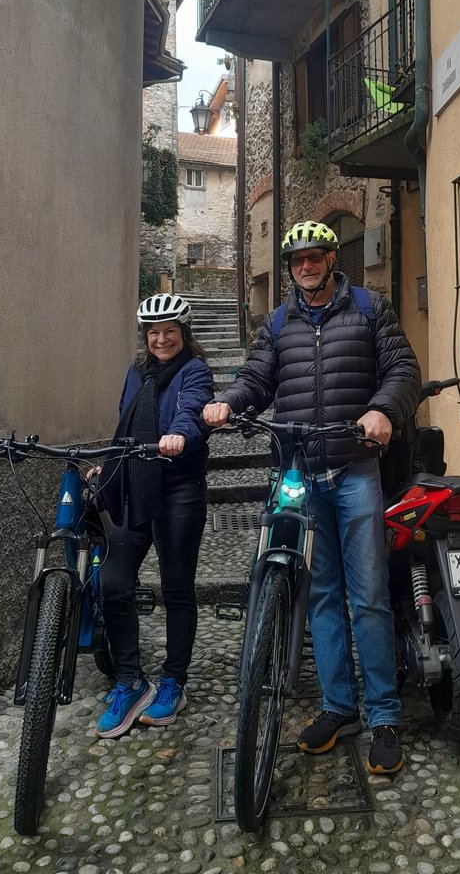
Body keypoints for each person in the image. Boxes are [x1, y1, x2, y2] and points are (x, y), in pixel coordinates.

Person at [203, 221, 421, 775]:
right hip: (300, 471)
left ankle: (384, 715)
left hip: (354, 469)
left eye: (316, 255)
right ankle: (338, 706)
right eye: (297, 259)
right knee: (321, 594)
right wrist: (229, 400)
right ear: (290, 268)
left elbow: (403, 370)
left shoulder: (370, 308)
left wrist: (383, 410)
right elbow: (256, 377)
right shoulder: (278, 322)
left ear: (330, 259)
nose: (307, 265)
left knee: (368, 596)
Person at [93, 293, 212, 739]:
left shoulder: (194, 370)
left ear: (184, 334)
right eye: (154, 332)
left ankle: (173, 682)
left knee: (177, 587)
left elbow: (193, 409)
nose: (161, 339)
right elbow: (124, 422)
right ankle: (130, 680)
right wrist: (109, 461)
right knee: (113, 581)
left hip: (178, 487)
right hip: (134, 480)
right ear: (146, 337)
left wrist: (179, 435)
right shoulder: (136, 373)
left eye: (170, 331)